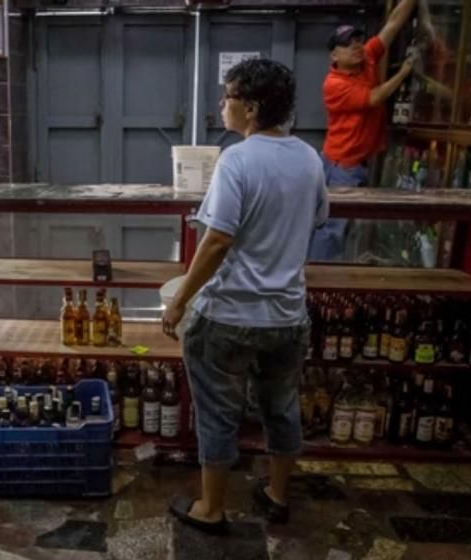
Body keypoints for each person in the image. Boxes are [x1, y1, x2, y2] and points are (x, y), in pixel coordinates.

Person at [161, 59, 328, 532]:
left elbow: (217, 240)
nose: (222, 105)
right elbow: (316, 220)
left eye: (228, 97)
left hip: (230, 316)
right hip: (287, 316)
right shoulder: (309, 158)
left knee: (217, 411)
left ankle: (211, 509)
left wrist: (180, 301)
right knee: (281, 407)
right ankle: (277, 495)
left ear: (250, 107)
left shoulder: (237, 159)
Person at [309, 0, 417, 261]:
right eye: (347, 44)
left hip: (357, 159)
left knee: (340, 224)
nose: (356, 46)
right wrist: (404, 72)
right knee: (333, 227)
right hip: (343, 163)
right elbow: (374, 97)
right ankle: (321, 277)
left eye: (358, 40)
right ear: (334, 56)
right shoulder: (334, 84)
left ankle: (324, 268)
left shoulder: (366, 57)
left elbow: (392, 26)